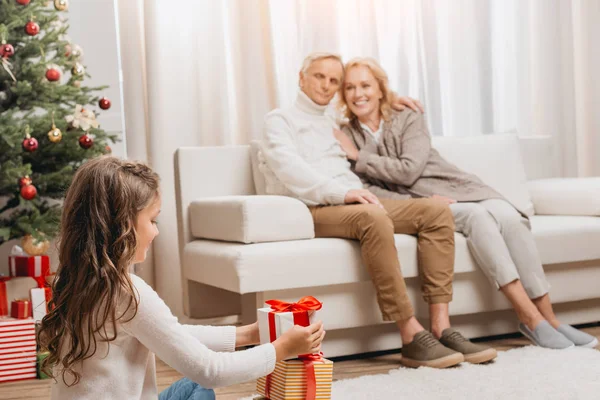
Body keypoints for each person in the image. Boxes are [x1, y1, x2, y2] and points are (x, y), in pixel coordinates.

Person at [335, 56, 598, 350]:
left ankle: (551, 319)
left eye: (365, 85)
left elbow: (410, 167)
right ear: (343, 95)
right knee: (477, 217)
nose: (359, 94)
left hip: (454, 186)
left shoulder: (408, 115)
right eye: (350, 87)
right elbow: (368, 188)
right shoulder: (345, 135)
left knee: (509, 216)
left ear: (381, 88)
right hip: (424, 205)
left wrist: (360, 158)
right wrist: (417, 203)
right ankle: (529, 318)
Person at [260, 52, 497, 368]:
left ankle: (441, 327)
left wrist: (396, 101)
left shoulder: (333, 122)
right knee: (372, 217)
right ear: (302, 78)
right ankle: (410, 334)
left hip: (353, 199)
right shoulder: (280, 119)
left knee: (436, 212)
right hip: (315, 207)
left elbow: (370, 109)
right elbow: (290, 170)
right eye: (319, 77)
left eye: (334, 80)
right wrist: (344, 193)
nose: (327, 85)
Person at [37, 157, 325, 400]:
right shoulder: (127, 292)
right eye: (152, 220)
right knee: (203, 384)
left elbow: (165, 333)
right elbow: (210, 369)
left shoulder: (78, 279)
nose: (156, 231)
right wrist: (281, 349)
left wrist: (248, 334)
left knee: (196, 389)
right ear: (124, 225)